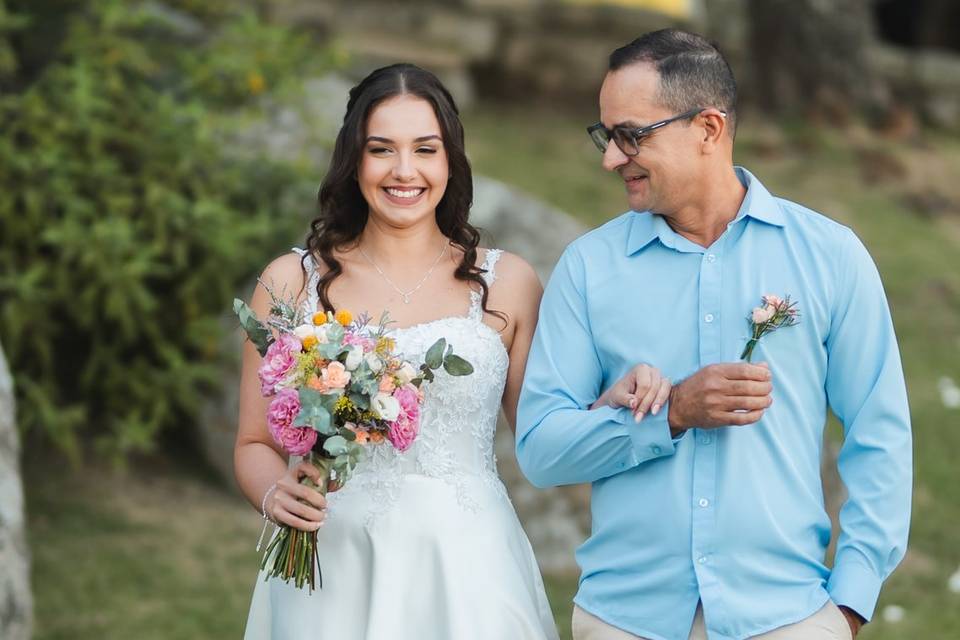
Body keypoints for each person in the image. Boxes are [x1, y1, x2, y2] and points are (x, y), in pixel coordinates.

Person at [516, 29, 912, 640]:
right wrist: (671, 412)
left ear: (707, 128)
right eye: (606, 135)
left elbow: (880, 436)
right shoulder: (588, 269)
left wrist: (851, 603)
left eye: (630, 135)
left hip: (786, 617)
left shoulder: (831, 256)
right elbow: (541, 451)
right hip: (625, 620)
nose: (610, 158)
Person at [235, 63, 570, 639]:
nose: (404, 170)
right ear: (353, 160)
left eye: (425, 149)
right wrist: (275, 494)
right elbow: (252, 441)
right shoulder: (290, 282)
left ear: (450, 160)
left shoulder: (509, 282)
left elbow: (544, 433)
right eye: (381, 149)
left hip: (466, 570)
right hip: (331, 565)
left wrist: (623, 395)